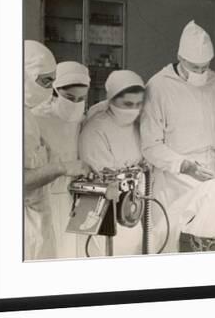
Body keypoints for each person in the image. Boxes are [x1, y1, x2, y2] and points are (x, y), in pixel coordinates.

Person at [140, 20, 215, 216]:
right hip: (174, 178)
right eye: (195, 67)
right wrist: (184, 166)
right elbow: (150, 146)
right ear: (180, 57)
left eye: (205, 67)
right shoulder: (159, 86)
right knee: (172, 239)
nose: (201, 73)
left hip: (211, 174)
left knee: (207, 236)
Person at [23, 41, 83, 260]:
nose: (49, 91)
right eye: (44, 82)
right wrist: (60, 167)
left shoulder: (26, 114)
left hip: (38, 219)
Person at [79, 70, 146, 256]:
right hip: (104, 210)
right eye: (127, 104)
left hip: (131, 207)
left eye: (138, 104)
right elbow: (100, 174)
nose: (133, 109)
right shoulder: (96, 129)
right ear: (111, 99)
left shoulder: (138, 126)